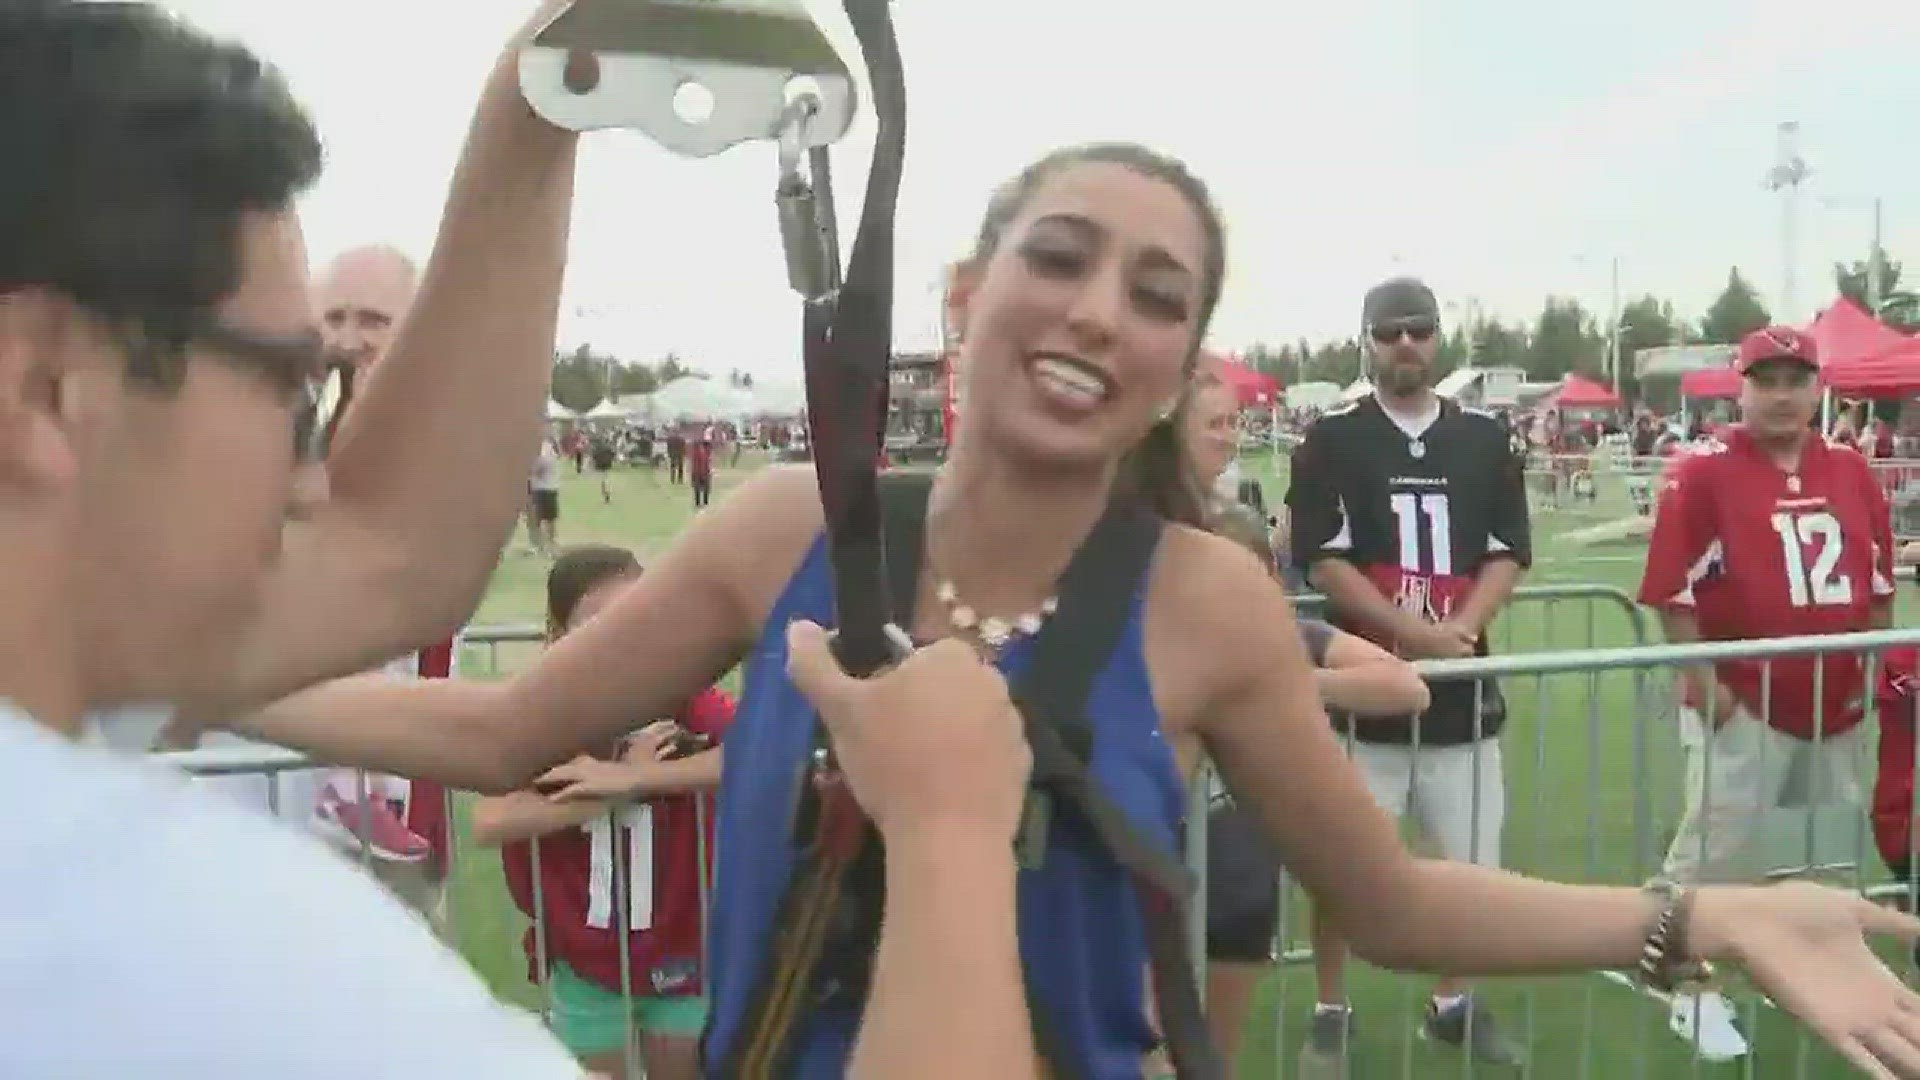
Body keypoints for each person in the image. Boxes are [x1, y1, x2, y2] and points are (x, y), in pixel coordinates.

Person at [235, 143, 1920, 1080]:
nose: (1101, 310)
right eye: (1060, 256)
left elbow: (1388, 898)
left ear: (1186, 364)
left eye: (1159, 294)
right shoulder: (782, 531)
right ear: (967, 299)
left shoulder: (1205, 603)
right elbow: (502, 729)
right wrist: (197, 681)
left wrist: (1706, 920)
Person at [0, 0, 610, 1074]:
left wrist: (540, 100)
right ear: (46, 385)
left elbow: (393, 549)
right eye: (292, 384)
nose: (312, 481)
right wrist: (948, 826)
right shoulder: (217, 961)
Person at [1285, 276, 1531, 1069]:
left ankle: (1453, 1002)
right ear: (1367, 340)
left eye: (1419, 330)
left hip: (1461, 695)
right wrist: (1404, 634)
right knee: (1342, 868)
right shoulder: (1332, 438)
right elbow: (1323, 560)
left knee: (1472, 871)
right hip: (1362, 702)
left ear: (1437, 338)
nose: (1405, 345)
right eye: (1389, 332)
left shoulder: (1487, 438)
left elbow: (1506, 550)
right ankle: (1330, 1005)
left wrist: (1458, 630)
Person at [1638, 324, 1897, 1061]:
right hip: (1746, 700)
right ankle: (1683, 980)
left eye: (1796, 380)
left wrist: (1869, 667)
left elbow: (1876, 581)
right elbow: (1672, 590)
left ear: (1819, 388)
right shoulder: (1702, 470)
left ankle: (1809, 971)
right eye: (1767, 380)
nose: (1782, 396)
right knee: (1717, 847)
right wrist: (1709, 686)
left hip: (1834, 698)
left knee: (1819, 850)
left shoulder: (1850, 468)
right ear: (1740, 386)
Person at [1177, 362, 1430, 1068]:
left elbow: (1403, 687)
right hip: (1146, 872)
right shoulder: (1148, 632)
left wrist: (1277, 690)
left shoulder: (1279, 637)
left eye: (1234, 422)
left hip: (1235, 878)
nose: (1228, 437)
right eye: (1214, 424)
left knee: (1209, 1060)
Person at [475, 546, 731, 1080]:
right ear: (559, 632)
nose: (621, 635)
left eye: (637, 613)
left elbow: (755, 751)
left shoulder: (686, 699)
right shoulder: (543, 713)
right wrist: (601, 795)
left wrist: (639, 777)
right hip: (586, 957)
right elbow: (492, 820)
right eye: (598, 620)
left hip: (682, 947)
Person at [529, 433, 563, 555]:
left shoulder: (544, 447)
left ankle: (545, 545)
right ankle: (544, 545)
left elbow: (540, 468)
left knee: (542, 518)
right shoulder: (546, 447)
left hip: (543, 488)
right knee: (544, 518)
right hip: (546, 487)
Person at [688, 431, 715, 510]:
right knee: (703, 487)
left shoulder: (697, 452)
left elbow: (694, 464)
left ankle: (699, 502)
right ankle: (703, 502)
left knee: (698, 488)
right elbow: (702, 464)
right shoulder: (702, 453)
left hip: (698, 472)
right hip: (701, 472)